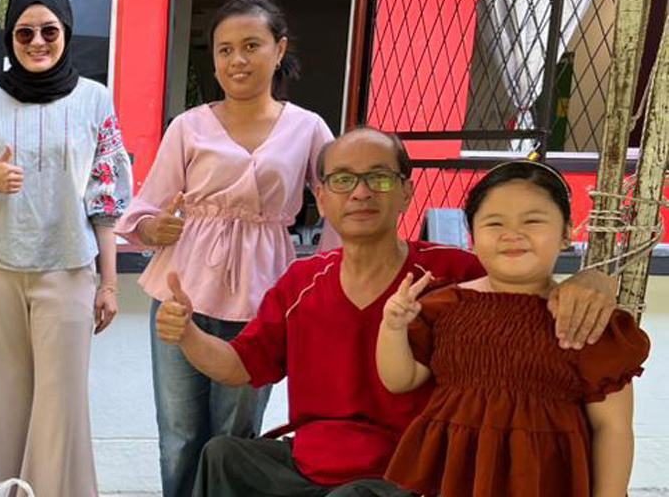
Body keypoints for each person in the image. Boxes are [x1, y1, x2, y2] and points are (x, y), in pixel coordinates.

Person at [154, 127, 622, 497]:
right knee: (223, 456)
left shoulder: (452, 272)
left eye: (378, 178)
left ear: (406, 192)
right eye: (343, 180)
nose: (360, 192)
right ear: (322, 197)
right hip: (313, 463)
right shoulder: (302, 281)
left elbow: (523, 278)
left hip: (408, 470)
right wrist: (188, 334)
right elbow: (239, 366)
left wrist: (590, 280)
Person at [115, 0, 335, 497]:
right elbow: (145, 210)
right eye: (225, 49)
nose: (237, 60)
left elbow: (338, 202)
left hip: (263, 298)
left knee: (236, 438)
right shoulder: (188, 126)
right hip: (181, 296)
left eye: (251, 45)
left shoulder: (309, 129)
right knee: (179, 435)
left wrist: (322, 277)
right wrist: (153, 229)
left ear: (279, 50)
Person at [0, 0, 133, 497]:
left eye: (49, 31)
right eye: (24, 32)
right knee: (0, 399)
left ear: (66, 32)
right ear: (9, 37)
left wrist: (109, 284)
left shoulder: (95, 100)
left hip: (68, 270)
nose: (37, 42)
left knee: (61, 405)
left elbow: (106, 199)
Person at [378, 160, 648, 497]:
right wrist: (392, 327)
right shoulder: (444, 306)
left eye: (532, 220)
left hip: (547, 480)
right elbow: (400, 379)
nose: (512, 234)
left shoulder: (585, 318)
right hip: (460, 477)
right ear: (472, 236)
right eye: (494, 223)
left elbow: (613, 427)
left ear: (567, 232)